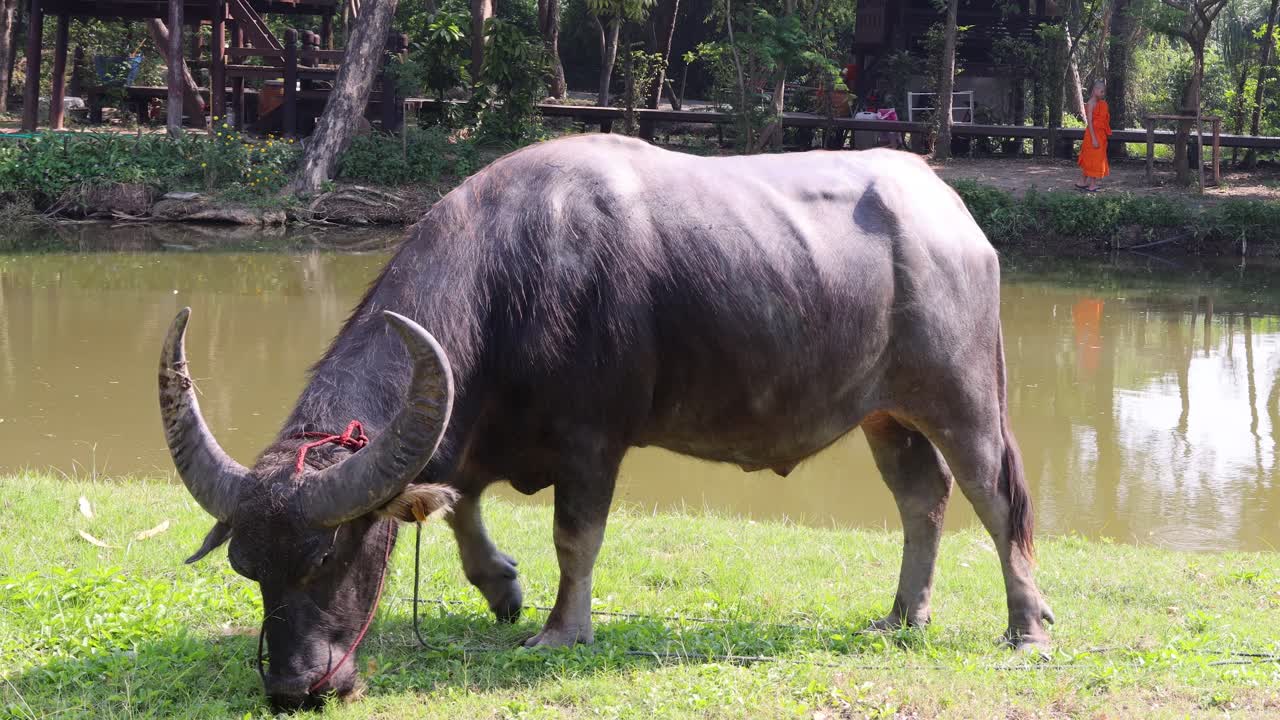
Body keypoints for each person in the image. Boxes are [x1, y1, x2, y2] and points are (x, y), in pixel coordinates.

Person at [1076, 79, 1112, 192]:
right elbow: (1090, 123)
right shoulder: (1091, 104)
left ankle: (1081, 182)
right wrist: (1094, 139)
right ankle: (1092, 185)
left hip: (1100, 134)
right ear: (1095, 90)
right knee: (1094, 160)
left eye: (1104, 92)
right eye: (1101, 91)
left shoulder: (1101, 103)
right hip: (1093, 135)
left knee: (1092, 159)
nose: (1103, 94)